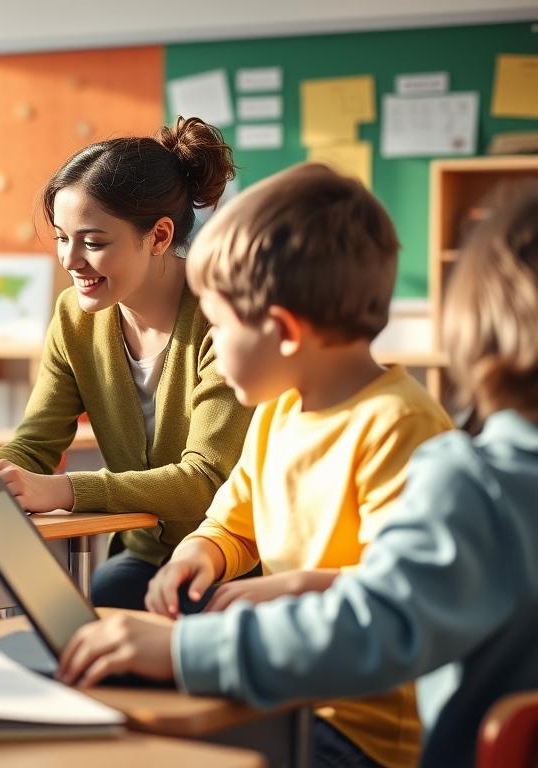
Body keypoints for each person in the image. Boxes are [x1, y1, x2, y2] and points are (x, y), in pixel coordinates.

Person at [56, 178, 538, 768]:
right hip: (291, 686)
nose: (210, 341)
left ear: (283, 331)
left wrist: (211, 632)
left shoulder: (418, 439)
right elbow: (233, 521)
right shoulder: (279, 411)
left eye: (218, 325)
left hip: (360, 725)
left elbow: (385, 607)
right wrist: (200, 554)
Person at [0, 117, 253, 609]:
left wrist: (62, 490)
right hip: (144, 555)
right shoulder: (75, 316)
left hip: (233, 562)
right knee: (61, 625)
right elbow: (37, 443)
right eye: (62, 237)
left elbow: (203, 483)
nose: (69, 259)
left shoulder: (223, 318)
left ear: (159, 235)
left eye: (93, 242)